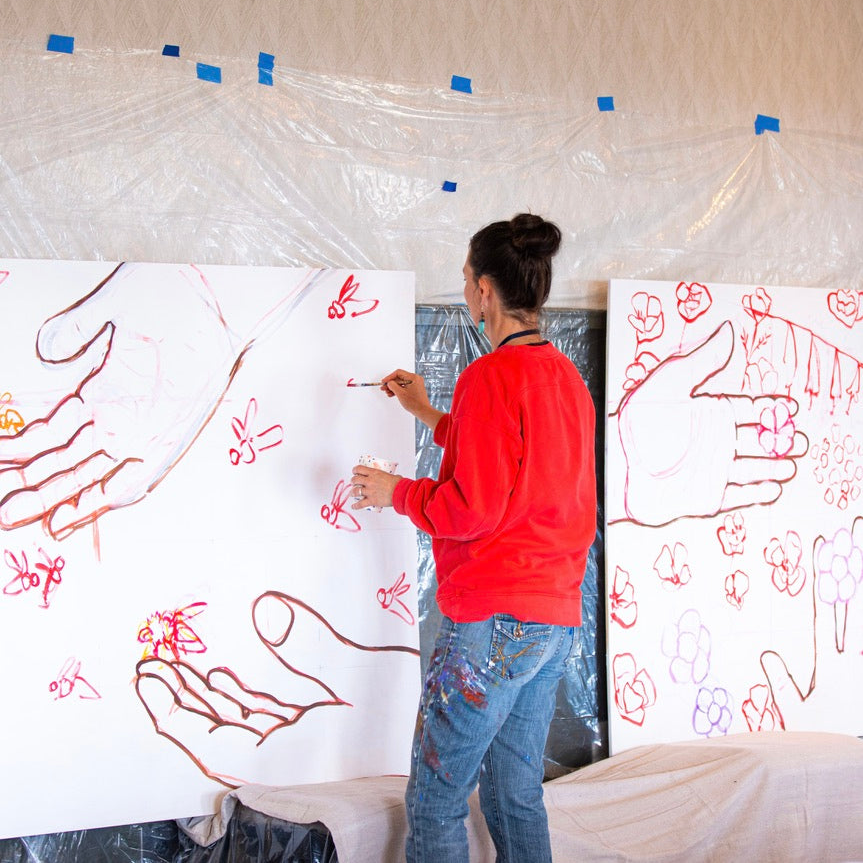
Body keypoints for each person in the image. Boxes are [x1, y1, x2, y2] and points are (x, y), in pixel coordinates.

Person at [351, 213, 597, 862]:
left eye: (465, 279)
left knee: (436, 801)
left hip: (492, 623)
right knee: (514, 795)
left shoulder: (488, 376)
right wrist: (429, 414)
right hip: (552, 622)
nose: (464, 291)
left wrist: (396, 491)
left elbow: (470, 508)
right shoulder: (567, 381)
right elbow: (514, 460)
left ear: (485, 290)